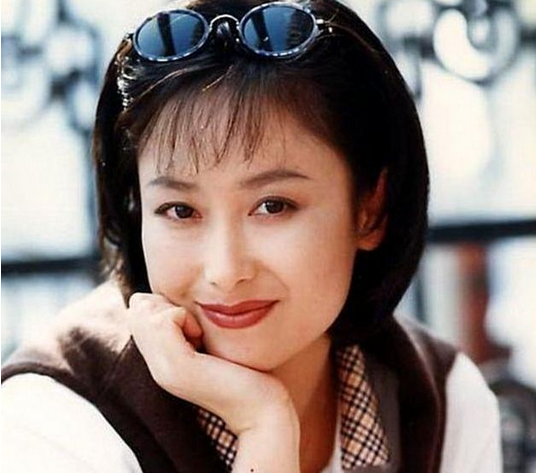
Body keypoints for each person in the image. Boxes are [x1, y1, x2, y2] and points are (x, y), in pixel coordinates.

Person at [1, 0, 502, 472]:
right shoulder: (56, 421)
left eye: (273, 206)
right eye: (180, 210)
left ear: (369, 210)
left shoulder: (442, 399)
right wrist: (265, 427)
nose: (225, 271)